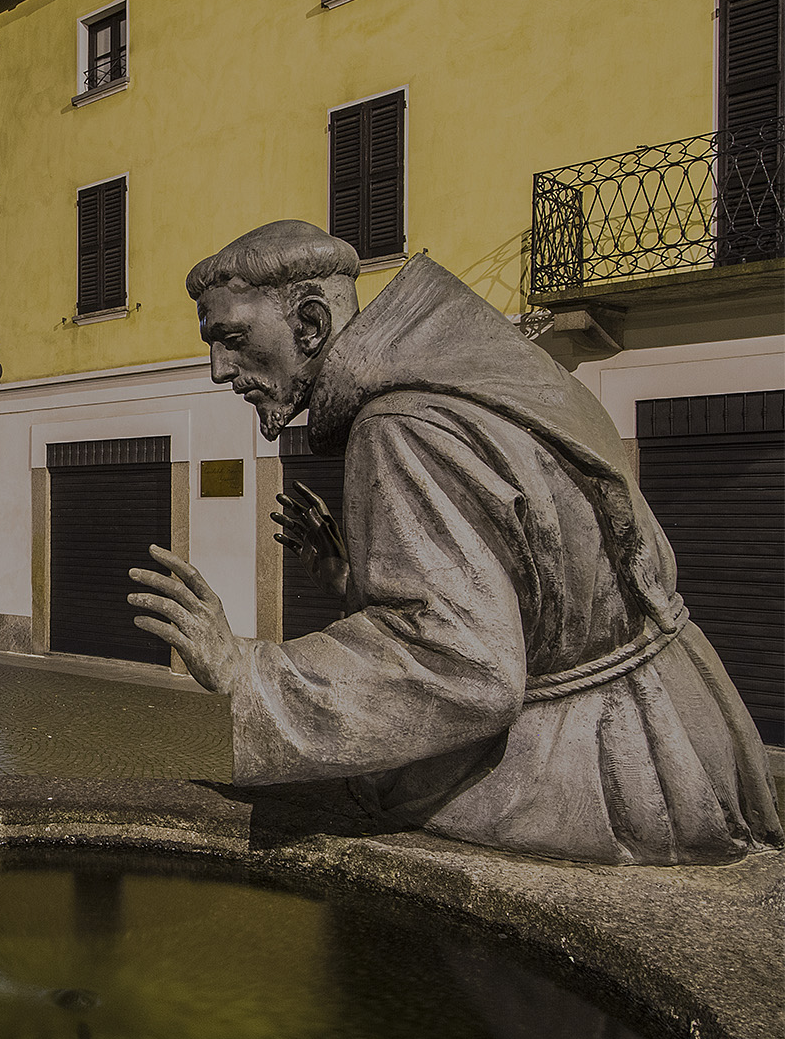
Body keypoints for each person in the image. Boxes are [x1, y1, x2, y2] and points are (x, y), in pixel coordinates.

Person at [129, 220, 781, 865]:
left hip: (599, 765)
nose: (219, 371)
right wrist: (352, 581)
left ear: (310, 324)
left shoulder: (397, 424)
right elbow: (524, 590)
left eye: (232, 339)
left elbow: (464, 665)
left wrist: (245, 668)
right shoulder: (483, 373)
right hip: (671, 719)